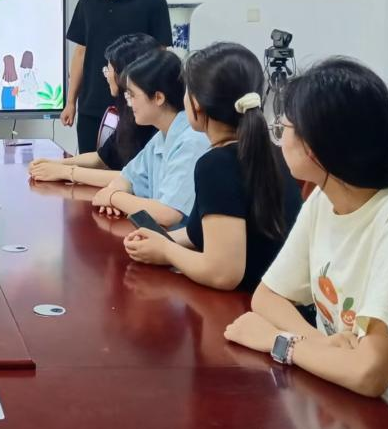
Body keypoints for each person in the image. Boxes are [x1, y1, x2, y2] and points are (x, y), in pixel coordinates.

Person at [224, 59, 388, 429]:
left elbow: (369, 373)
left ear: (316, 146)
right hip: (344, 406)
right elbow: (268, 296)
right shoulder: (325, 197)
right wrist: (318, 344)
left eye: (283, 128)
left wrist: (281, 342)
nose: (279, 139)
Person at [123, 42, 302, 291]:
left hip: (245, 303)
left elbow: (223, 273)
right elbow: (209, 232)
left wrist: (166, 250)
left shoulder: (217, 165)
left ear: (196, 103)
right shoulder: (267, 151)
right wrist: (161, 240)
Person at [63, 0, 172, 155]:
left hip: (137, 109)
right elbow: (80, 53)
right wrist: (71, 102)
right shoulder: (88, 1)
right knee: (89, 166)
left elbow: (160, 56)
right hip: (91, 107)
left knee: (133, 169)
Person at [91, 50, 209, 227]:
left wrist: (113, 197)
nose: (129, 103)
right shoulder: (161, 136)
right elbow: (126, 178)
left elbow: (168, 214)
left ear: (158, 97)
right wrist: (114, 194)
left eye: (132, 95)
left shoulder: (192, 141)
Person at [29, 33, 160, 187]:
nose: (107, 76)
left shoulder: (153, 122)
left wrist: (66, 172)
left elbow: (133, 179)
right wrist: (56, 164)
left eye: (108, 70)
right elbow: (102, 158)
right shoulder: (130, 114)